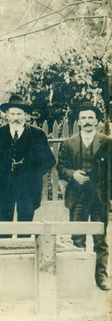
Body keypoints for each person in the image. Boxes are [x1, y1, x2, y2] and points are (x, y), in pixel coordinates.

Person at [57, 102, 111, 291]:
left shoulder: (107, 142)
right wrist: (73, 175)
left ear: (97, 120)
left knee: (100, 239)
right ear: (78, 122)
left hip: (99, 198)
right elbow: (61, 167)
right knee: (77, 238)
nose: (87, 121)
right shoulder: (68, 143)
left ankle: (101, 276)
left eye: (90, 117)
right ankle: (78, 278)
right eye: (83, 118)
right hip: (77, 197)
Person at [0, 94, 55, 237]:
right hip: (4, 187)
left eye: (19, 114)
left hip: (28, 187)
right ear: (7, 115)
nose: (16, 117)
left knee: (25, 226)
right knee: (3, 225)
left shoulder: (38, 135)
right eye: (12, 113)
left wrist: (31, 173)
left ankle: (23, 251)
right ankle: (4, 252)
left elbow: (49, 161)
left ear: (26, 115)